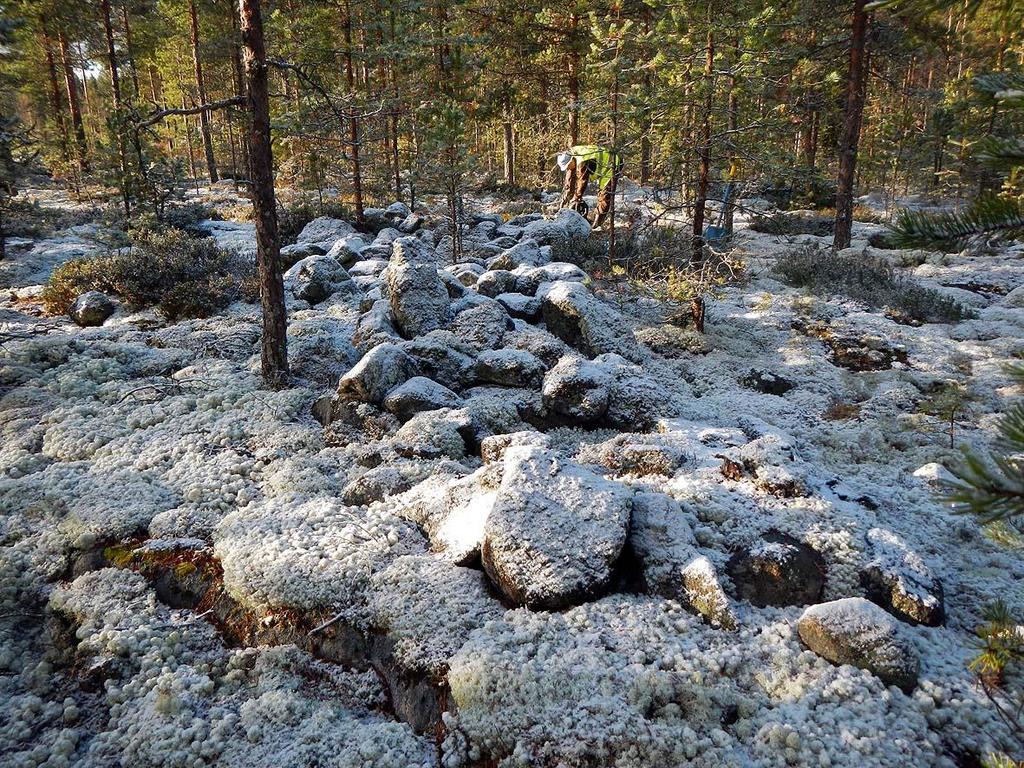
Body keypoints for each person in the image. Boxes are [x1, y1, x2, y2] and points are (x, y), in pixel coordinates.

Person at [557, 145, 623, 228]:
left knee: (604, 195)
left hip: (612, 164)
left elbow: (582, 181)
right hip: (603, 165)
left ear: (571, 160)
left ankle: (597, 224)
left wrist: (576, 197)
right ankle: (594, 217)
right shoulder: (571, 154)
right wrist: (565, 197)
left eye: (568, 166)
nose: (568, 168)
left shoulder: (583, 160)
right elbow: (570, 179)